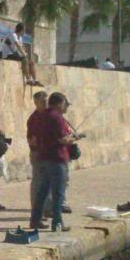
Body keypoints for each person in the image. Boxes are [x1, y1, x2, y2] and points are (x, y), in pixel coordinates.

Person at [30, 92, 81, 232]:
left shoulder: (40, 116)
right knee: (58, 193)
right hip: (56, 159)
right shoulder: (56, 118)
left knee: (43, 191)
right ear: (59, 103)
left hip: (43, 158)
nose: (66, 107)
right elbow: (63, 140)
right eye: (65, 104)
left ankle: (35, 220)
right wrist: (74, 138)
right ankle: (57, 223)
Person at [26, 90, 48, 225]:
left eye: (47, 101)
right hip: (38, 154)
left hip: (46, 154)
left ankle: (44, 211)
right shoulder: (34, 119)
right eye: (43, 101)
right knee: (38, 184)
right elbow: (32, 140)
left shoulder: (47, 116)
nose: (46, 104)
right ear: (36, 103)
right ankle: (37, 213)